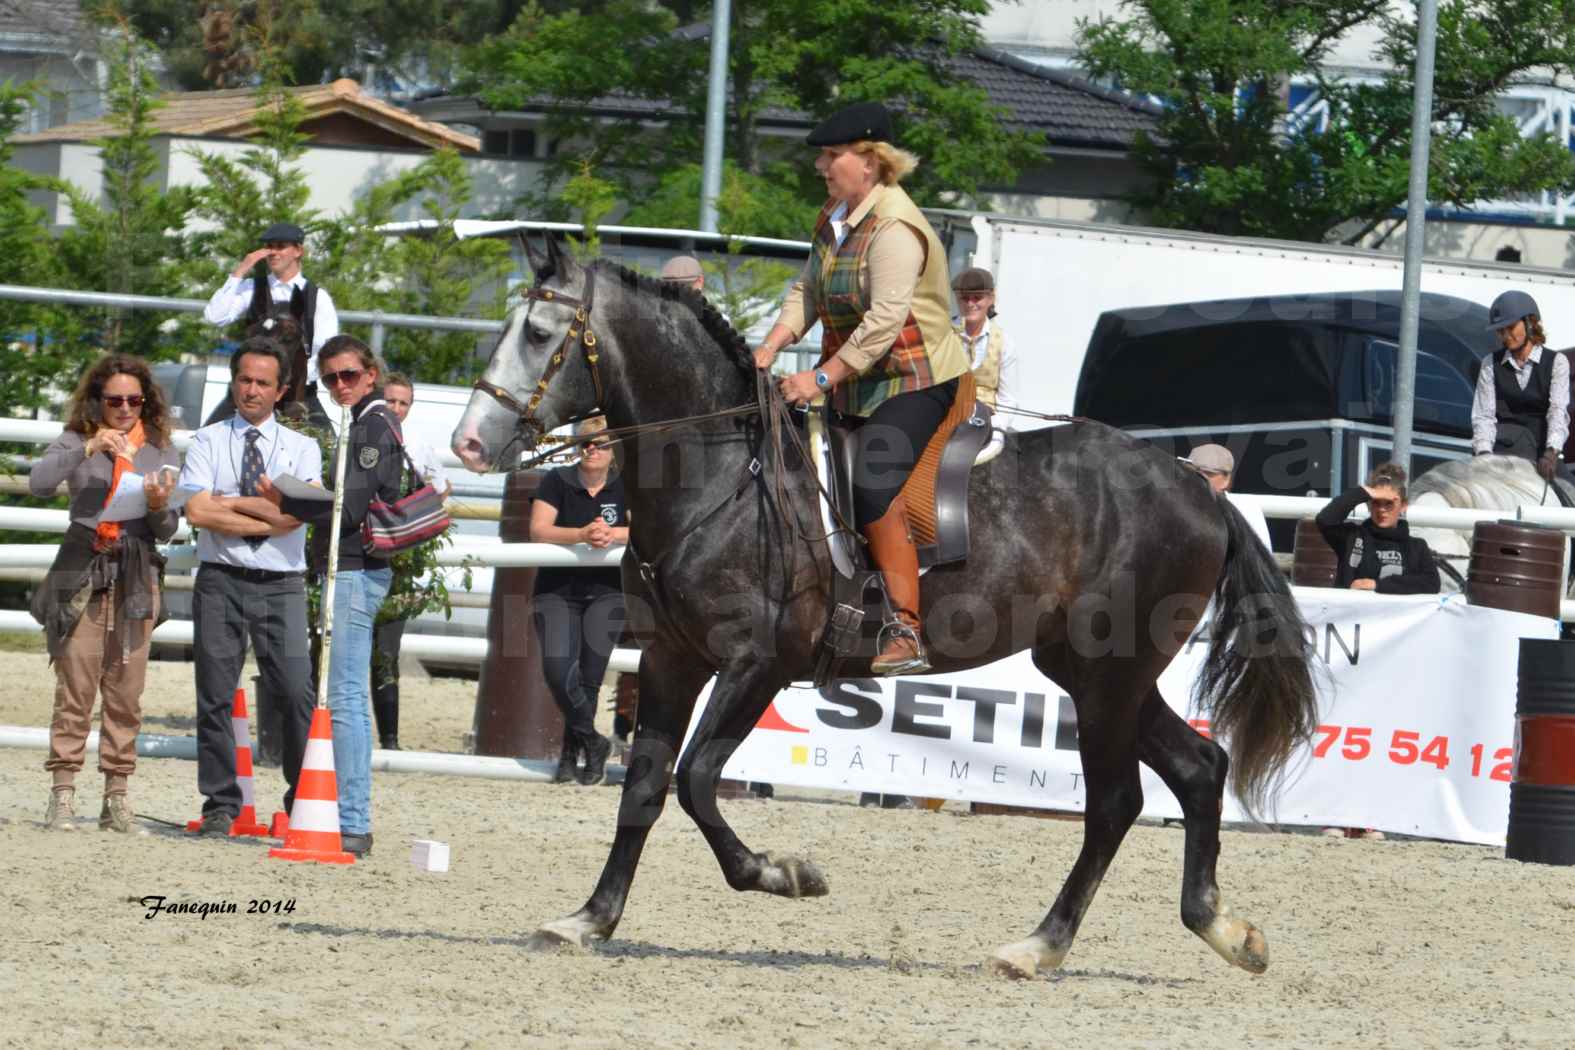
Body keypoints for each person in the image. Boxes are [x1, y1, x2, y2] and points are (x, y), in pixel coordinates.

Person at [753, 101, 970, 676]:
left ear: (870, 162)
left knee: (872, 484)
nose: (822, 165)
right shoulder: (836, 214)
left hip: (915, 381)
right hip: (857, 380)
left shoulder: (897, 228)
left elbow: (882, 324)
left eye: (832, 155)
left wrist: (817, 378)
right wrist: (769, 346)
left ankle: (906, 628)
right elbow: (806, 291)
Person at [259, 335, 402, 856]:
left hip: (357, 569)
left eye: (348, 375)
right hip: (356, 568)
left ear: (370, 374)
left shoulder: (371, 426)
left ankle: (353, 819)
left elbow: (354, 503)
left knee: (343, 696)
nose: (340, 385)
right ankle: (350, 815)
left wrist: (289, 496)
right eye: (331, 378)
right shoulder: (368, 422)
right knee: (343, 694)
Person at [29, 354, 180, 832]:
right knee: (75, 685)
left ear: (145, 402)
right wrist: (88, 448)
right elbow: (38, 483)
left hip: (135, 569)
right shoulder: (77, 438)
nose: (124, 408)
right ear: (98, 402)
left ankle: (116, 794)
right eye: (114, 399)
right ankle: (63, 792)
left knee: (126, 690)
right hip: (83, 569)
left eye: (133, 400)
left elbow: (170, 527)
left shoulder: (159, 449)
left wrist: (157, 506)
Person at [180, 337, 320, 838]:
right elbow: (196, 511)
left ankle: (302, 798)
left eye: (263, 382)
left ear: (281, 390)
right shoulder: (208, 440)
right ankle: (221, 803)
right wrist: (267, 511)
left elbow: (296, 517)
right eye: (244, 379)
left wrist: (229, 505)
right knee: (214, 693)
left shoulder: (304, 448)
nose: (252, 390)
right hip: (220, 580)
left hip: (281, 584)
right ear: (234, 381)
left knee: (295, 690)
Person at [529, 416, 629, 785]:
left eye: (600, 443)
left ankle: (572, 756)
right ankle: (594, 742)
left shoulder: (625, 484)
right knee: (558, 671)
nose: (592, 449)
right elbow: (538, 529)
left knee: (589, 679)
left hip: (607, 591)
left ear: (612, 449)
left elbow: (645, 529)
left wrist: (612, 533)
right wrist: (581, 534)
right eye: (586, 442)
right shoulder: (556, 480)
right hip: (556, 591)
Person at [368, 372, 453, 751]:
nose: (397, 409)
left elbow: (442, 487)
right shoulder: (363, 436)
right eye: (391, 401)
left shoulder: (416, 444)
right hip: (365, 551)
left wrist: (411, 510)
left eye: (403, 403)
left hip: (399, 559)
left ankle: (390, 738)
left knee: (386, 653)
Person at [204, 221, 341, 414]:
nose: (273, 252)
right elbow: (214, 317)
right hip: (249, 392)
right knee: (208, 437)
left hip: (297, 396)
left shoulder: (318, 297)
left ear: (298, 250)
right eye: (269, 246)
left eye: (280, 246)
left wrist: (287, 381)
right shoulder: (251, 287)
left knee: (324, 441)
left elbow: (325, 350)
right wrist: (241, 270)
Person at [1471, 289, 1569, 480]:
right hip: (1501, 453)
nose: (1506, 335)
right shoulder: (1490, 363)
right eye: (1500, 330)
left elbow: (1557, 411)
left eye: (1511, 327)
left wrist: (1551, 451)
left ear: (1530, 323)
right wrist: (1484, 456)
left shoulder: (1557, 362)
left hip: (1541, 455)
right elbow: (1483, 416)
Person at [1315, 463, 1441, 595]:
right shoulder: (1352, 537)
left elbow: (1431, 584)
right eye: (1376, 502)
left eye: (1389, 503)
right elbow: (1325, 520)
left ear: (1403, 506)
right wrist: (1366, 492)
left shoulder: (1417, 547)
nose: (1382, 509)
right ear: (1369, 505)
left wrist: (1377, 585)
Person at [952, 267, 1019, 426]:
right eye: (965, 298)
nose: (970, 303)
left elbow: (1008, 398)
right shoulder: (943, 335)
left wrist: (995, 426)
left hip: (986, 421)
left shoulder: (1005, 343)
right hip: (946, 415)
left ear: (991, 298)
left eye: (977, 297)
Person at [1183, 443, 1271, 549]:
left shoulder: (1246, 510)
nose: (1199, 478)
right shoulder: (1174, 504)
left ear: (1227, 479)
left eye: (1208, 473)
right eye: (1192, 471)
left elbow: (1261, 557)